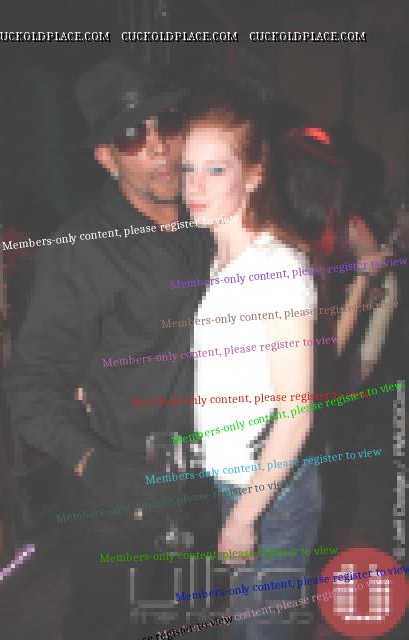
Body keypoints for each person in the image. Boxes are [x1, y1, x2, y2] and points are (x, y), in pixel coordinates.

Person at [5, 55, 213, 640]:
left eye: (166, 124)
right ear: (106, 157)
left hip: (205, 487)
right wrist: (95, 465)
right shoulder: (81, 250)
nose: (158, 147)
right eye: (131, 136)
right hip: (121, 504)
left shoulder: (210, 225)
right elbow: (32, 385)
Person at [182, 90, 322, 640]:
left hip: (270, 497)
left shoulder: (277, 268)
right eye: (189, 168)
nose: (195, 185)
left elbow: (296, 414)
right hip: (237, 483)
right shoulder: (216, 261)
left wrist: (244, 517)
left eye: (216, 169)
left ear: (255, 175)